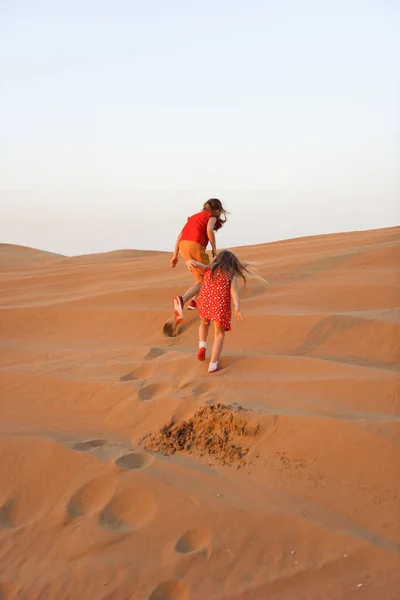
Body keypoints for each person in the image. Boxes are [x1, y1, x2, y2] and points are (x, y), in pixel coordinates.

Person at [185, 250, 249, 373]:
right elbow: (234, 291)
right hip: (219, 307)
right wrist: (237, 307)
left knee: (204, 324)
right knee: (219, 335)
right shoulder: (230, 274)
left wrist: (189, 261)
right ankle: (213, 365)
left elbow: (197, 264)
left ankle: (202, 345)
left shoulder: (209, 269)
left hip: (204, 303)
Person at [171, 199, 228, 323]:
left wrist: (175, 254)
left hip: (183, 246)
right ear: (218, 210)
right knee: (207, 276)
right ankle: (182, 300)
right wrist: (213, 247)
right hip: (195, 244)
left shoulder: (194, 217)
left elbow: (180, 235)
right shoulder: (212, 216)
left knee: (200, 277)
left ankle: (193, 303)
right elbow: (209, 230)